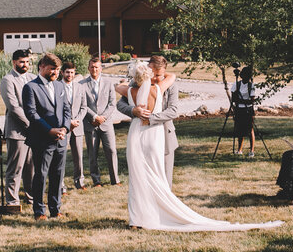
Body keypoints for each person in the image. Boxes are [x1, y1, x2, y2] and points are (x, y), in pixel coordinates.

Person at [119, 61, 282, 231]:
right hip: (152, 134)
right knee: (153, 175)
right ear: (150, 74)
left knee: (137, 177)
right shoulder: (158, 88)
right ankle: (152, 214)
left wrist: (134, 92)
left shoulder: (130, 90)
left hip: (136, 134)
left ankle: (137, 219)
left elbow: (119, 88)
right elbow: (171, 76)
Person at [117, 55, 179, 187]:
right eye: (153, 74)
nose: (156, 79)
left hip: (164, 135)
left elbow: (173, 110)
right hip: (142, 137)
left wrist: (149, 118)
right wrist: (134, 110)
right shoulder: (136, 83)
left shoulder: (170, 85)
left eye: (160, 75)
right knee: (145, 179)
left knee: (165, 181)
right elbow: (120, 105)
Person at [22, 53, 71, 220]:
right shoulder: (31, 87)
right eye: (52, 69)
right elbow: (31, 113)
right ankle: (39, 211)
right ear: (41, 67)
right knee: (41, 175)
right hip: (42, 139)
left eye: (57, 70)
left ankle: (55, 209)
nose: (55, 73)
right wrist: (49, 130)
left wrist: (65, 128)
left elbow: (66, 110)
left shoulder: (60, 86)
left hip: (61, 139)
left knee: (58, 175)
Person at [0, 49, 36, 207]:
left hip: (34, 131)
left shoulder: (32, 78)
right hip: (17, 131)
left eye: (27, 62)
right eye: (22, 62)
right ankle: (12, 200)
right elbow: (13, 107)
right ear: (14, 62)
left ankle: (31, 197)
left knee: (31, 167)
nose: (25, 65)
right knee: (16, 167)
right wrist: (30, 124)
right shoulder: (8, 80)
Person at [81, 56, 121, 186]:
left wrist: (102, 117)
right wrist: (94, 117)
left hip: (106, 123)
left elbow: (112, 103)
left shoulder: (108, 83)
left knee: (111, 151)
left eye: (97, 67)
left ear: (101, 68)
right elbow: (82, 104)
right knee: (92, 154)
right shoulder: (81, 85)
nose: (94, 69)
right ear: (88, 68)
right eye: (92, 67)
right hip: (90, 124)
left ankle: (115, 180)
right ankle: (96, 180)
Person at [60, 61, 89, 190]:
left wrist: (77, 120)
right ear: (62, 72)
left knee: (78, 156)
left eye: (72, 72)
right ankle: (61, 185)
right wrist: (67, 122)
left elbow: (84, 107)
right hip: (62, 127)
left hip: (77, 127)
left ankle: (79, 182)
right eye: (67, 72)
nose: (70, 75)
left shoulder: (80, 87)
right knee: (61, 157)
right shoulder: (57, 86)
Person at [232, 66, 257, 157]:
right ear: (242, 76)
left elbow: (252, 100)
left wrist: (240, 100)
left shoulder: (251, 86)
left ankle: (252, 150)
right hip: (239, 109)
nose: (246, 78)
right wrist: (242, 101)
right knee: (239, 129)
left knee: (250, 129)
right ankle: (239, 150)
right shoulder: (236, 84)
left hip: (248, 109)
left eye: (248, 76)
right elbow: (234, 99)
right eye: (245, 76)